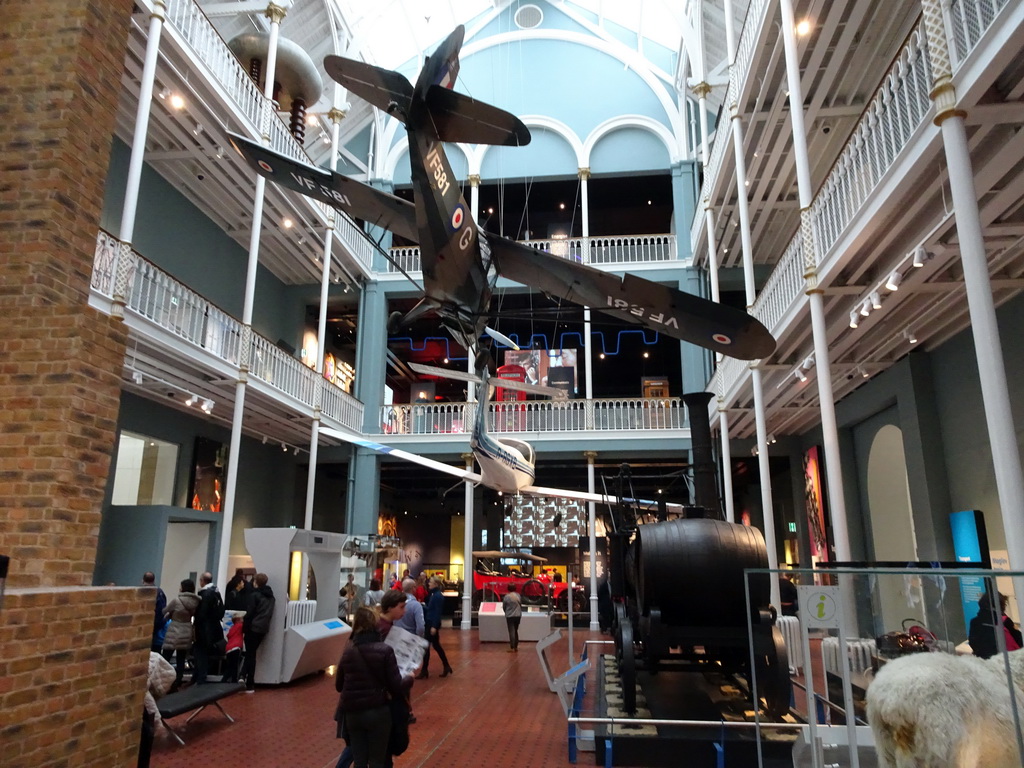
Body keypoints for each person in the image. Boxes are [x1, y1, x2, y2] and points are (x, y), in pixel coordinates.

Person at [334, 607, 406, 768]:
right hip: (377, 710)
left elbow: (339, 685)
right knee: (377, 759)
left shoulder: (348, 652)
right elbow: (395, 685)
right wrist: (407, 679)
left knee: (359, 760)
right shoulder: (385, 650)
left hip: (352, 712)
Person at [162, 578, 199, 691]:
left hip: (175, 629)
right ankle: (178, 680)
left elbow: (164, 611)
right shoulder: (196, 602)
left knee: (165, 657)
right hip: (186, 629)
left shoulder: (176, 601)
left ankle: (164, 679)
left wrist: (171, 614)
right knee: (181, 658)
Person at [241, 572, 275, 692]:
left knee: (250, 654)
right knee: (251, 653)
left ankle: (249, 682)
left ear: (256, 582)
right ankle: (243, 676)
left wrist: (245, 626)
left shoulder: (254, 596)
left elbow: (249, 613)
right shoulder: (271, 597)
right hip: (263, 628)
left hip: (253, 627)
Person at [192, 571, 225, 684]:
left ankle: (200, 677)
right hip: (214, 628)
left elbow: (202, 614)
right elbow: (221, 611)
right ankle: (198, 676)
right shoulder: (217, 592)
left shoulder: (204, 594)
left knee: (200, 652)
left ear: (202, 581)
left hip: (204, 629)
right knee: (205, 652)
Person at [968, 591, 1022, 659]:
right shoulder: (1004, 621)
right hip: (1004, 659)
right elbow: (1019, 640)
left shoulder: (974, 622)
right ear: (1000, 605)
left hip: (983, 660)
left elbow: (973, 643)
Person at [418, 576, 452, 679]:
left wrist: (433, 626)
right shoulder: (435, 595)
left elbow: (436, 612)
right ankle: (446, 666)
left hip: (431, 623)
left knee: (427, 646)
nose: (429, 584)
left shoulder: (436, 596)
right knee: (436, 646)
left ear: (436, 584)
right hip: (431, 622)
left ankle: (424, 670)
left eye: (431, 582)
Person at [142, 571, 167, 653]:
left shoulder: (141, 592)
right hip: (156, 627)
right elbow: (162, 610)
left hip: (143, 626)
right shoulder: (160, 592)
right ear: (154, 580)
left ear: (142, 580)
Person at [221, 612, 244, 683]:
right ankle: (234, 681)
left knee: (230, 666)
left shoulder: (232, 628)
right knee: (235, 666)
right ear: (238, 620)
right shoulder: (241, 626)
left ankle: (224, 680)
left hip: (228, 648)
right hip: (236, 647)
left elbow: (228, 636)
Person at [502, 582, 523, 652]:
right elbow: (520, 604)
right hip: (518, 615)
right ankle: (516, 646)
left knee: (511, 631)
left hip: (510, 615)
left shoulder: (507, 597)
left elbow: (504, 606)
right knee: (516, 630)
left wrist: (506, 612)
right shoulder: (518, 595)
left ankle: (512, 647)